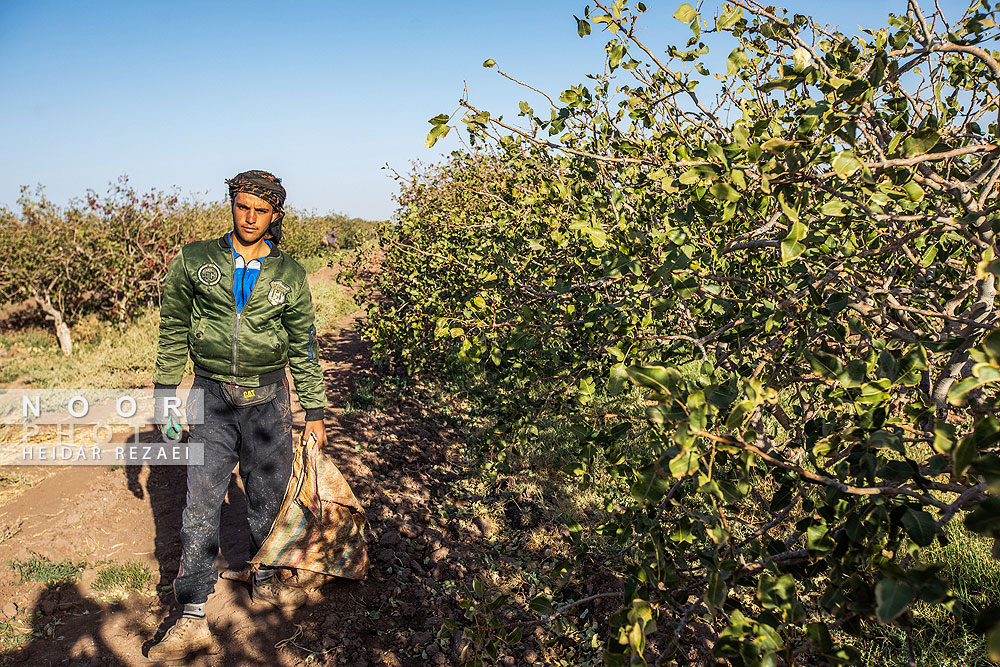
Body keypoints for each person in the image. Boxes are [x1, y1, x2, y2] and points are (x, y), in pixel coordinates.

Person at [147, 170, 328, 661]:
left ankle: (264, 572)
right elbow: (172, 329)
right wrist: (165, 393)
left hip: (269, 399)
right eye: (242, 207)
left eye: (261, 211)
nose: (250, 218)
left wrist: (313, 408)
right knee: (201, 502)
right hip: (209, 396)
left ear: (275, 216)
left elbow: (303, 344)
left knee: (266, 494)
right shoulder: (196, 259)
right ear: (232, 205)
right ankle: (189, 615)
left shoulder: (289, 273)